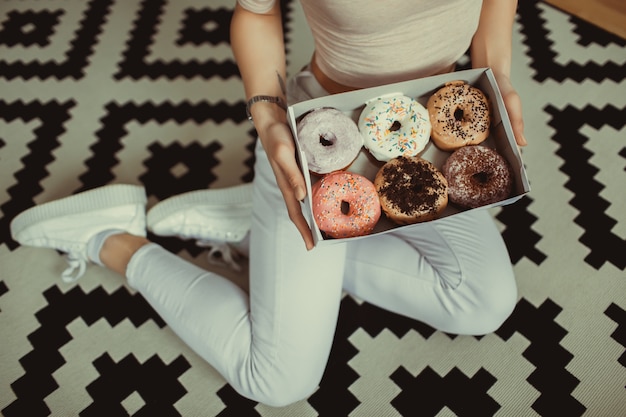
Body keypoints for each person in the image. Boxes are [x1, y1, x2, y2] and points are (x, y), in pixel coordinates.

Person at [10, 0, 526, 407]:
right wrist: (270, 119)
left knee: (485, 302)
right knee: (278, 382)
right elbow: (256, 11)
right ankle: (109, 239)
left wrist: (496, 77)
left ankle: (256, 230)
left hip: (431, 141)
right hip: (320, 149)